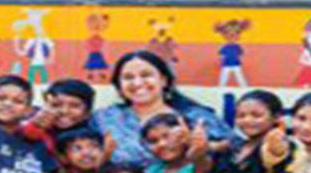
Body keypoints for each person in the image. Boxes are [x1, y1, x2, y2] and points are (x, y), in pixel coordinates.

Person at [92, 50, 230, 166]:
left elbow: (238, 147)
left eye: (146, 75)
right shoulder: (106, 118)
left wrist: (206, 147)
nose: (138, 83)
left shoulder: (195, 116)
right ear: (119, 86)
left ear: (163, 80)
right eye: (128, 78)